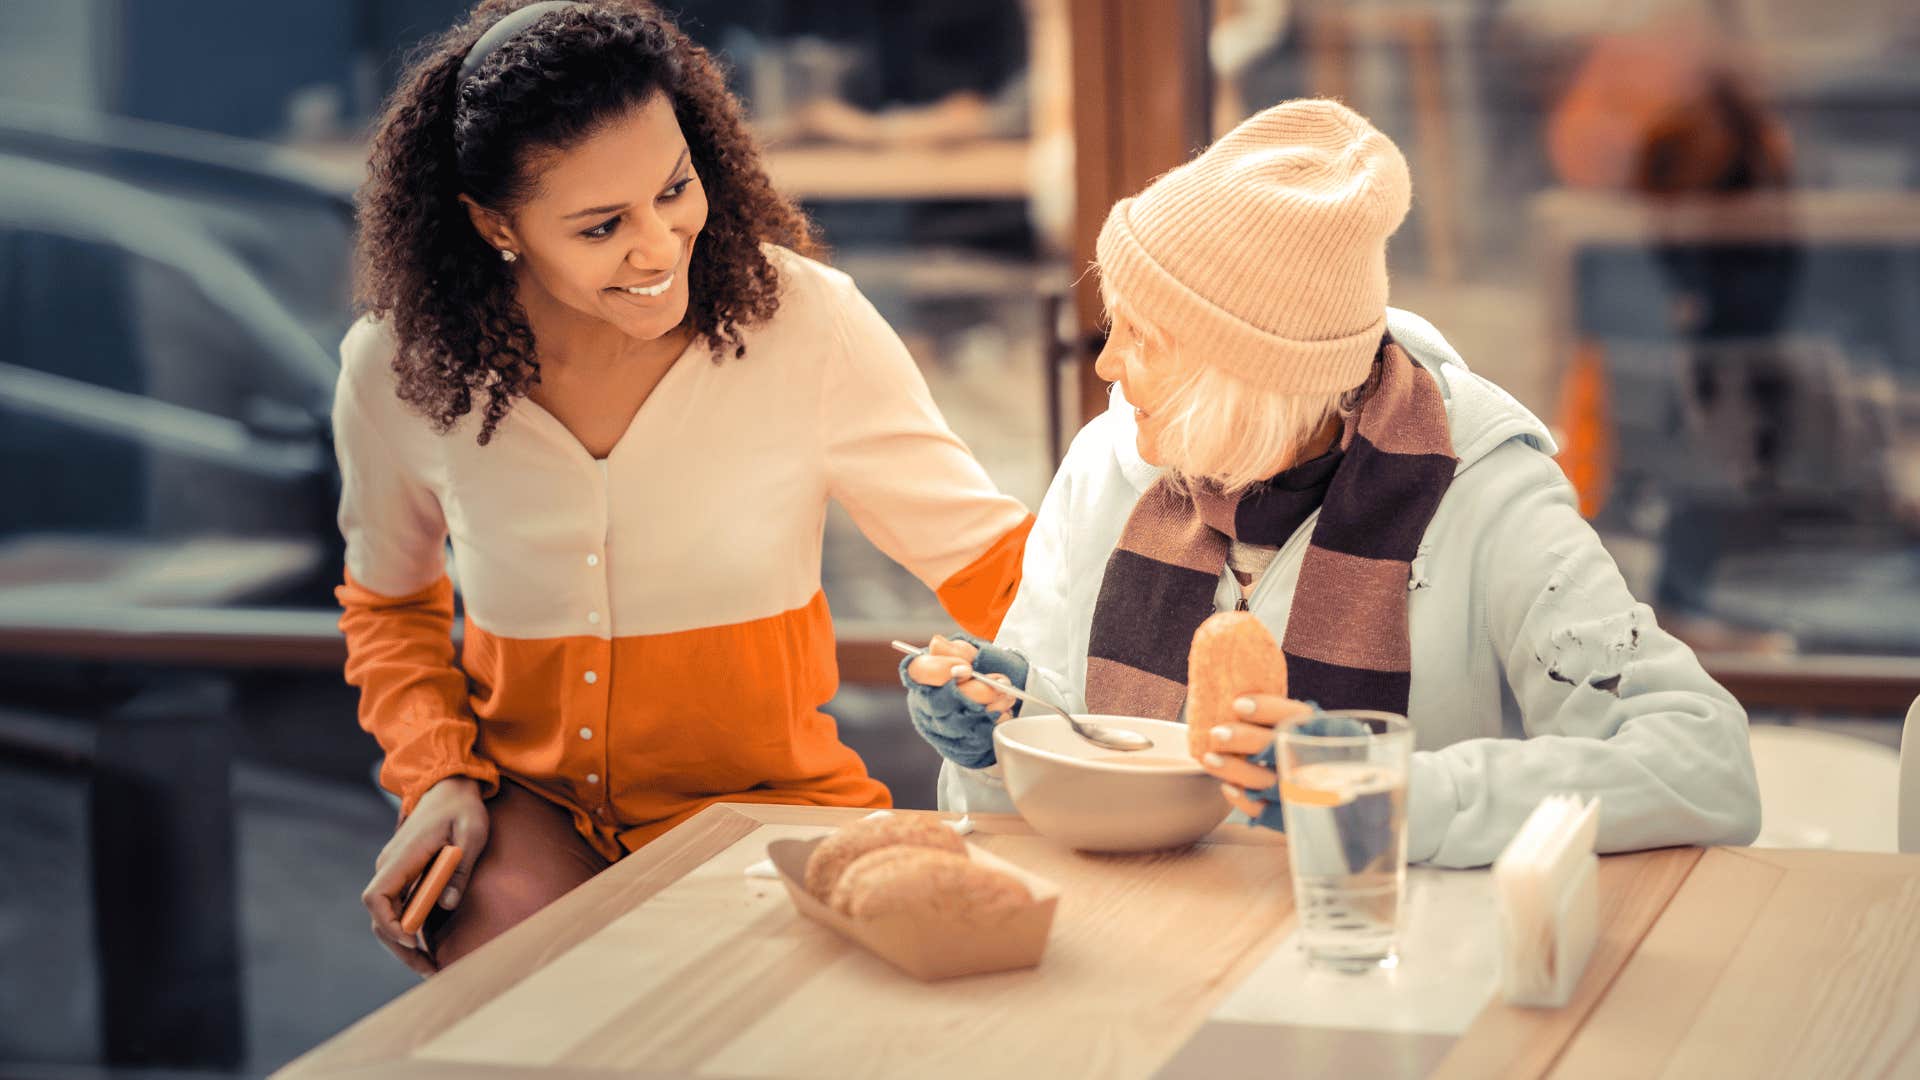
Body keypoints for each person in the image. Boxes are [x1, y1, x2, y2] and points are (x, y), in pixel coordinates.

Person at [339, 0, 1032, 974]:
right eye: (600, 225)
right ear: (496, 224)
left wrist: (1115, 691)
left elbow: (991, 559)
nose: (660, 245)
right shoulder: (397, 370)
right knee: (496, 953)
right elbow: (391, 603)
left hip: (770, 808)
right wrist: (435, 777)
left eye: (675, 188)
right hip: (530, 812)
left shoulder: (804, 324)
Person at [904, 99, 1760, 868]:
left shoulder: (1487, 494)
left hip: (1396, 966)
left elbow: (1702, 766)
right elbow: (1048, 770)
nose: (1105, 363)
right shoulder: (1108, 463)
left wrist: (1383, 795)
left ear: (1247, 375)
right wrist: (1000, 743)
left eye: (1144, 336)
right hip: (1135, 956)